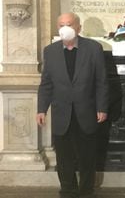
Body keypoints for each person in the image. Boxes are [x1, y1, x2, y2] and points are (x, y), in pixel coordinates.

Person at [36, 12, 109, 198]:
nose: (65, 28)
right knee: (64, 157)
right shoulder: (50, 51)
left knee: (87, 157)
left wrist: (102, 107)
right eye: (61, 25)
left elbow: (101, 81)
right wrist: (41, 109)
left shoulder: (93, 48)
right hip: (61, 114)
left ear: (78, 27)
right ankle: (67, 190)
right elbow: (46, 83)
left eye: (69, 24)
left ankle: (86, 191)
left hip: (87, 112)